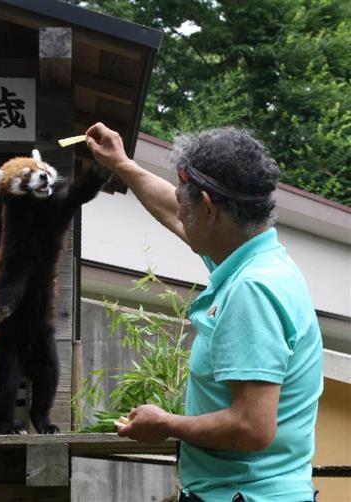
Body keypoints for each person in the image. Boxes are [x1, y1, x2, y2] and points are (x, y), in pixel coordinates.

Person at [85, 123, 323, 502]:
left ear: (209, 208)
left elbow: (252, 427)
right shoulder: (257, 260)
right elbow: (174, 211)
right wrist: (122, 164)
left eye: (185, 199)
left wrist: (166, 424)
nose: (178, 209)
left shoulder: (251, 291)